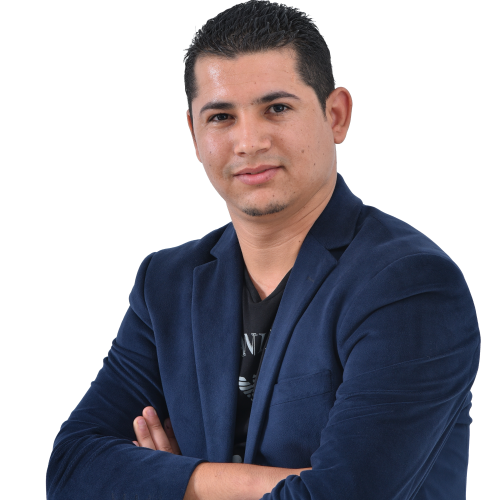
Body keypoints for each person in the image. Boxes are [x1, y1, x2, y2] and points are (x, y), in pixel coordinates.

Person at [46, 1, 480, 499]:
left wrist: (169, 482)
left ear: (336, 116)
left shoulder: (409, 284)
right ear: (194, 133)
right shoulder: (166, 283)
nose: (248, 142)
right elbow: (71, 468)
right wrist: (270, 482)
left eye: (277, 108)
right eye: (222, 117)